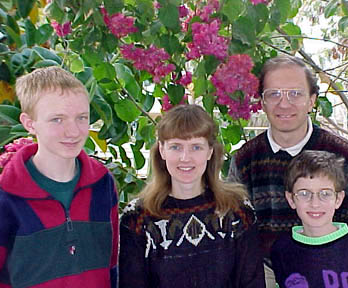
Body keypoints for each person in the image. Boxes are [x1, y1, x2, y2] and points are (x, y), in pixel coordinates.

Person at [228, 55, 348, 285]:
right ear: (262, 102)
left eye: (295, 93)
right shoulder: (245, 159)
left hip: (334, 268)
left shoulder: (344, 156)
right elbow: (233, 232)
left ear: (312, 101)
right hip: (269, 270)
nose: (284, 103)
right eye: (274, 94)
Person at [119, 104, 266, 288]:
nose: (185, 158)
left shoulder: (237, 211)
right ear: (162, 150)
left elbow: (252, 282)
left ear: (210, 151)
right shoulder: (137, 218)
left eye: (196, 147)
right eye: (176, 147)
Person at [0, 66, 119, 288]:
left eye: (81, 118)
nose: (72, 131)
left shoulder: (103, 183)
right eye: (57, 120)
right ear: (29, 123)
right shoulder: (6, 196)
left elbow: (111, 264)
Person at [271, 150, 348, 288]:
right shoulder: (282, 249)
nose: (315, 203)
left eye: (325, 193)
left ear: (338, 199)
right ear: (291, 199)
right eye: (304, 193)